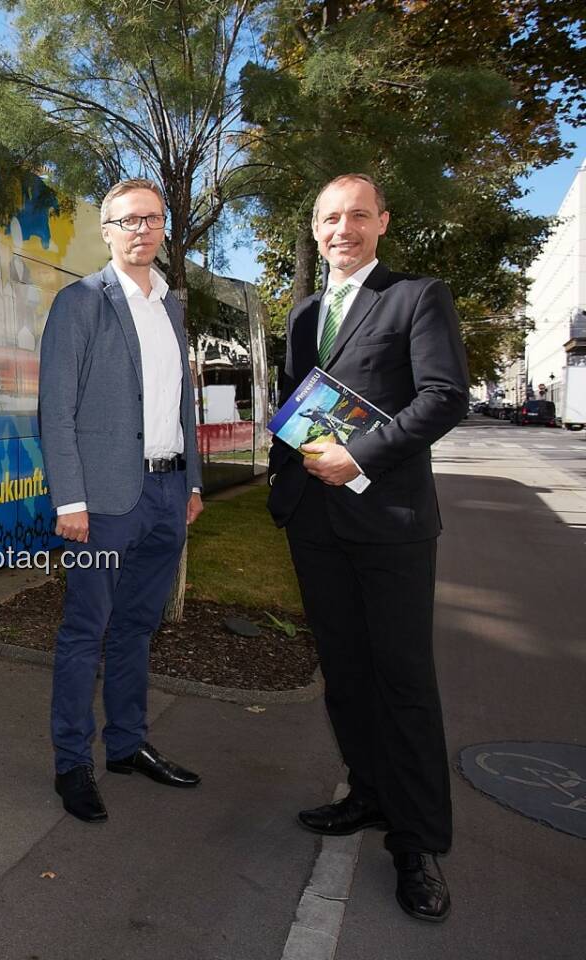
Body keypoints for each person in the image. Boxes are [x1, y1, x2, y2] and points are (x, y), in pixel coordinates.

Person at [267, 173, 468, 922]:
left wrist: (362, 457)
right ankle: (369, 794)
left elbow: (444, 396)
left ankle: (417, 844)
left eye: (356, 215)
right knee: (346, 673)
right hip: (316, 521)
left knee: (404, 682)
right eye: (328, 218)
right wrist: (284, 467)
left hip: (388, 518)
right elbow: (295, 401)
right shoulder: (305, 312)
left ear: (382, 221)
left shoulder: (417, 296)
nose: (341, 228)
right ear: (316, 229)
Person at [37, 179, 205, 824]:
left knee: (138, 627)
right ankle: (71, 763)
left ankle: (128, 747)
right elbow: (57, 410)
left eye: (153, 219)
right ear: (105, 230)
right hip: (103, 502)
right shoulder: (80, 301)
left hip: (165, 494)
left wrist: (189, 482)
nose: (142, 229)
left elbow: (178, 403)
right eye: (128, 220)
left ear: (164, 229)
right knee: (86, 632)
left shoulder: (171, 306)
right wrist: (69, 499)